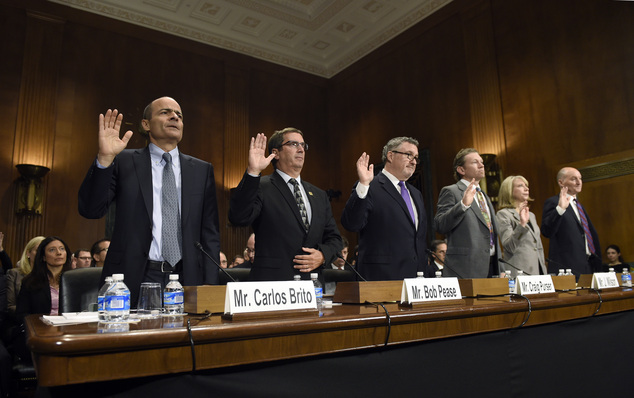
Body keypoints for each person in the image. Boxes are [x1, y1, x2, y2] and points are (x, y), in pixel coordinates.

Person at [78, 96, 221, 305]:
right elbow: (91, 209)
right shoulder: (124, 161)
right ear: (146, 124)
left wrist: (210, 285)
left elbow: (210, 233)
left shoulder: (201, 170)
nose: (174, 117)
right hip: (133, 278)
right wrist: (104, 159)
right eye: (165, 112)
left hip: (188, 278)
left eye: (179, 115)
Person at [228, 129, 342, 281]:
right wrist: (253, 172)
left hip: (310, 286)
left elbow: (334, 239)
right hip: (273, 286)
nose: (301, 149)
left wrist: (322, 255)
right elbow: (238, 217)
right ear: (276, 153)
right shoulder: (261, 186)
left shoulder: (319, 195)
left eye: (303, 145)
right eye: (293, 144)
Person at [341, 137, 427, 280]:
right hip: (381, 278)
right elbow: (351, 223)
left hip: (416, 279)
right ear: (390, 155)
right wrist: (363, 185)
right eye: (409, 155)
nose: (413, 161)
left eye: (416, 157)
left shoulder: (416, 194)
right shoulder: (370, 186)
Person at [434, 148, 501, 278]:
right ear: (461, 170)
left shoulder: (484, 196)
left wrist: (500, 266)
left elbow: (491, 231)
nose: (482, 165)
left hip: (492, 265)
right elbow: (440, 224)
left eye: (482, 162)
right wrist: (463, 205)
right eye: (475, 162)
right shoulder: (451, 191)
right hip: (466, 268)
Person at [541, 167, 601, 278]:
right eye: (574, 179)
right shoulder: (554, 202)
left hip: (588, 265)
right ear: (561, 182)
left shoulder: (579, 205)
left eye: (580, 178)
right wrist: (560, 209)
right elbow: (546, 231)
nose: (579, 182)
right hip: (568, 268)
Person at [495, 176, 546, 277]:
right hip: (519, 273)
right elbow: (509, 246)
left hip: (537, 272)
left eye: (526, 186)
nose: (526, 188)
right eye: (520, 185)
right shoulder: (503, 214)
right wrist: (522, 224)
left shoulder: (531, 215)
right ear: (509, 191)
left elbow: (538, 246)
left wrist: (543, 270)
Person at [16, 236, 73, 318]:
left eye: (62, 249)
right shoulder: (30, 281)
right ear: (43, 257)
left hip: (70, 327)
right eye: (52, 250)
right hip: (41, 327)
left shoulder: (74, 280)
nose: (59, 253)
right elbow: (22, 314)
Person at [6, 236, 45, 314]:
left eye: (43, 251)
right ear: (28, 253)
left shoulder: (50, 276)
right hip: (23, 320)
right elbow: (10, 306)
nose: (40, 254)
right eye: (37, 250)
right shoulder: (15, 274)